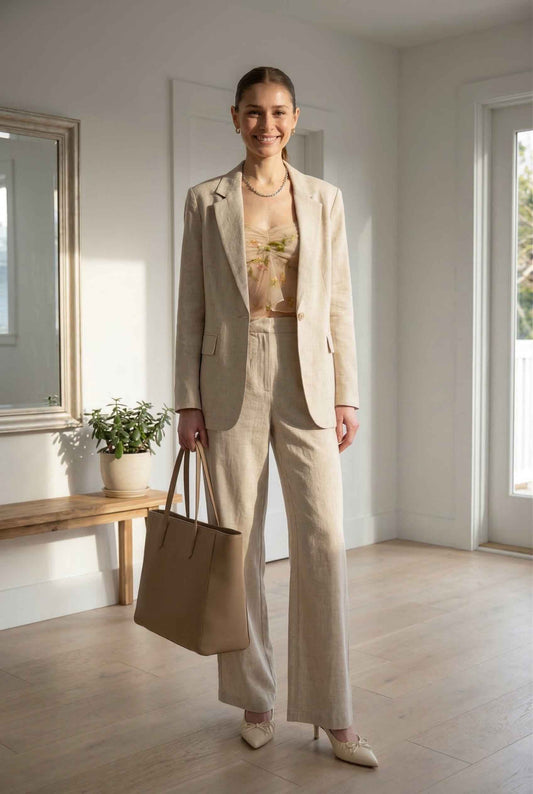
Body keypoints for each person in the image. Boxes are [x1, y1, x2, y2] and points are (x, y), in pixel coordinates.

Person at [174, 66, 378, 768]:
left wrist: (347, 394)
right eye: (255, 112)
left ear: (295, 118)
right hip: (229, 375)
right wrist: (187, 400)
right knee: (237, 543)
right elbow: (190, 306)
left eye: (279, 112)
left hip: (307, 372)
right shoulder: (205, 200)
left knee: (322, 539)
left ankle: (334, 713)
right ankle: (253, 698)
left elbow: (340, 302)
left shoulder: (324, 198)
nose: (267, 124)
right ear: (235, 118)